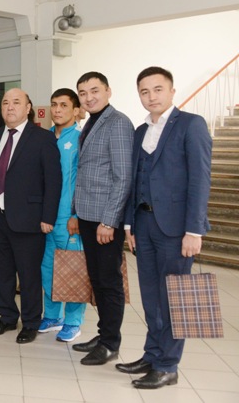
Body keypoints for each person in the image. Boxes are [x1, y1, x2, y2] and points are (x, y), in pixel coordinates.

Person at [116, 67, 211, 389]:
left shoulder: (191, 125)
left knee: (176, 298)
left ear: (171, 91)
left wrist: (194, 231)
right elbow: (134, 180)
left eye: (158, 89)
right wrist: (129, 223)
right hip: (143, 224)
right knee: (151, 297)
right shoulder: (140, 131)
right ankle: (152, 354)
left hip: (177, 229)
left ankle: (168, 366)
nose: (151, 96)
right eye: (144, 91)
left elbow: (200, 180)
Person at [0, 89, 62, 344]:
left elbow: (53, 181)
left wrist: (48, 217)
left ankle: (31, 322)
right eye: (5, 102)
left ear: (28, 108)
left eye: (16, 102)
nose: (10, 107)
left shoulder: (43, 138)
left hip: (29, 219)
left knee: (28, 275)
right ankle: (7, 317)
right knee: (1, 273)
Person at [70, 71, 133, 365]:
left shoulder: (117, 123)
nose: (89, 97)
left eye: (94, 90)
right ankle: (103, 333)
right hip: (87, 214)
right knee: (96, 279)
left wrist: (109, 221)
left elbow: (123, 177)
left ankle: (110, 343)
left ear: (108, 91)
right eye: (83, 93)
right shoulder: (92, 122)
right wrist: (76, 212)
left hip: (104, 220)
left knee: (109, 281)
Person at [38, 88, 87, 343]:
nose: (57, 110)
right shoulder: (44, 137)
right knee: (48, 269)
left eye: (64, 105)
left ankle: (73, 322)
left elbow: (83, 181)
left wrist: (76, 214)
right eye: (54, 104)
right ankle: (52, 316)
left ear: (76, 110)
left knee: (73, 269)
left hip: (68, 218)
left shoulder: (80, 139)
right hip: (45, 218)